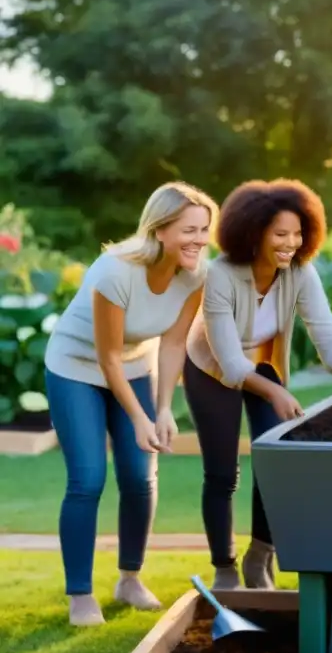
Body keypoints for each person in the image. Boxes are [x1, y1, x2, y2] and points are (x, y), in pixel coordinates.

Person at [43, 181, 217, 626]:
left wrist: (161, 411)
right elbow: (107, 357)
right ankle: (80, 594)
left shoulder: (196, 274)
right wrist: (138, 417)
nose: (199, 240)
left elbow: (174, 343)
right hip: (76, 367)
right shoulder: (115, 272)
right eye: (189, 230)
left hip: (137, 367)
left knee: (140, 476)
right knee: (87, 478)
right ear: (160, 230)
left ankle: (129, 578)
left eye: (204, 230)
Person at [184, 178, 332, 590]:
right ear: (254, 233)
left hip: (263, 364)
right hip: (212, 367)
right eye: (280, 233)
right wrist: (276, 392)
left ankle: (259, 556)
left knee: (274, 459)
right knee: (222, 473)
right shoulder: (221, 274)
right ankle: (225, 568)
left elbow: (325, 333)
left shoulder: (301, 273)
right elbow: (230, 361)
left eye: (298, 233)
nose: (291, 242)